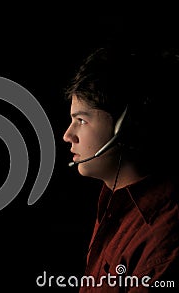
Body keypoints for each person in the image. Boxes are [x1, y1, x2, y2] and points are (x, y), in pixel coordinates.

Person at [62, 45, 179, 292]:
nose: (67, 135)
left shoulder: (160, 239)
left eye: (81, 120)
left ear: (123, 128)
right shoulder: (113, 199)